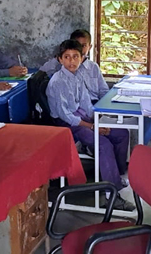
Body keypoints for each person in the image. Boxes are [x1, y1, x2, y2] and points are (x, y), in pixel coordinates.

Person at [46, 39, 134, 211]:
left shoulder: (78, 76)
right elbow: (66, 115)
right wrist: (92, 127)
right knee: (103, 144)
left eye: (75, 57)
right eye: (67, 57)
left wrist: (98, 120)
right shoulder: (58, 82)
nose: (71, 61)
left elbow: (86, 103)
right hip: (67, 125)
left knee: (122, 134)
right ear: (60, 60)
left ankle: (115, 176)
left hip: (82, 118)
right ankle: (112, 196)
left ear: (82, 58)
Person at [39, 29, 109, 103]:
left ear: (90, 47)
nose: (80, 49)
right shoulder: (64, 66)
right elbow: (42, 71)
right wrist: (58, 59)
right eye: (77, 45)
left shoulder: (93, 67)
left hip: (94, 104)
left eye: (84, 45)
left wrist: (102, 108)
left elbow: (104, 91)